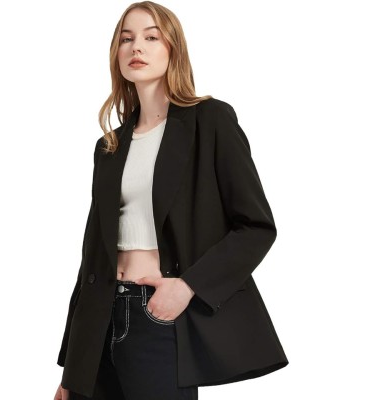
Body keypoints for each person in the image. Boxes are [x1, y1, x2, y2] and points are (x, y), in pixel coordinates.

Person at [54, 1, 289, 399]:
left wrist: (188, 287)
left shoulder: (209, 120)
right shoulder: (109, 146)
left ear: (173, 49)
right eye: (126, 39)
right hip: (98, 327)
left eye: (151, 37)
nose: (136, 47)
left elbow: (256, 227)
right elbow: (92, 256)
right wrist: (71, 369)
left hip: (158, 316)